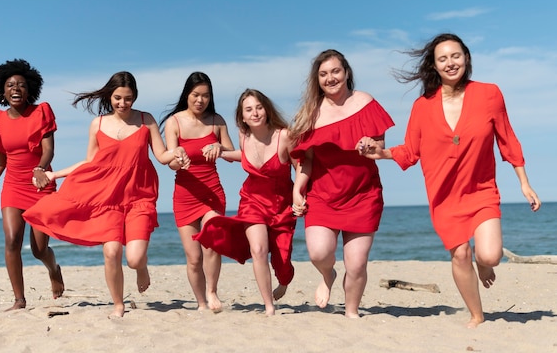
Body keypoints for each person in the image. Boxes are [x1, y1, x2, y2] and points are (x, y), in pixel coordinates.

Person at [356, 33, 541, 328]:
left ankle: (483, 265)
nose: (450, 62)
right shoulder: (422, 106)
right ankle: (476, 314)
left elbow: (507, 138)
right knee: (460, 254)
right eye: (443, 58)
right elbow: (411, 150)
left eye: (456, 55)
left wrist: (524, 182)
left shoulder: (489, 94)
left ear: (466, 57)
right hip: (444, 196)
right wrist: (381, 152)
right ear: (435, 66)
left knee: (490, 256)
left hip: (480, 190)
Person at [22, 71, 189, 318]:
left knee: (133, 259)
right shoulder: (98, 124)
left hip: (139, 197)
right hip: (106, 198)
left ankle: (141, 268)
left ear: (135, 97)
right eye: (118, 98)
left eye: (128, 98)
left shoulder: (146, 120)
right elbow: (89, 162)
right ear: (110, 96)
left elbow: (163, 156)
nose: (123, 103)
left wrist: (177, 154)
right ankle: (118, 304)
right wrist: (55, 175)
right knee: (111, 252)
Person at [290, 49, 394, 318]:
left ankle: (351, 311)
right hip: (323, 195)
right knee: (318, 253)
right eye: (323, 74)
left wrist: (370, 146)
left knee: (357, 264)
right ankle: (328, 276)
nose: (330, 78)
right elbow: (307, 160)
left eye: (335, 71)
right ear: (317, 79)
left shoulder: (365, 102)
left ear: (346, 72)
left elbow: (381, 146)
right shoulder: (311, 114)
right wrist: (297, 190)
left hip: (363, 195)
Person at [0, 59, 65, 311]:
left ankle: (54, 269)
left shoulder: (41, 112)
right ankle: (19, 300)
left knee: (39, 250)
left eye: (21, 84)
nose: (16, 88)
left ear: (30, 89)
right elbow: (0, 162)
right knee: (12, 240)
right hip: (13, 186)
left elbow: (48, 151)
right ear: (2, 90)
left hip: (41, 185)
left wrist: (40, 169)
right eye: (10, 85)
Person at [194, 89, 297, 316]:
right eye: (249, 109)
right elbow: (245, 155)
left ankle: (284, 278)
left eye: (259, 107)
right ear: (242, 116)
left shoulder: (284, 135)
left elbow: (300, 165)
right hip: (252, 202)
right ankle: (269, 306)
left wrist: (300, 193)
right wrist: (220, 150)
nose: (255, 113)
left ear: (267, 109)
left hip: (282, 206)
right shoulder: (244, 136)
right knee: (259, 249)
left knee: (282, 260)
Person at [160, 71, 235, 312]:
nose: (200, 100)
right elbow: (170, 161)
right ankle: (201, 303)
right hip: (184, 195)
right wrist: (178, 157)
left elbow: (232, 154)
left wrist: (219, 146)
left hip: (212, 192)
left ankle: (212, 291)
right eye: (195, 95)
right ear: (187, 95)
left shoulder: (217, 120)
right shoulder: (174, 122)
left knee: (211, 242)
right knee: (194, 258)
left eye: (205, 96)